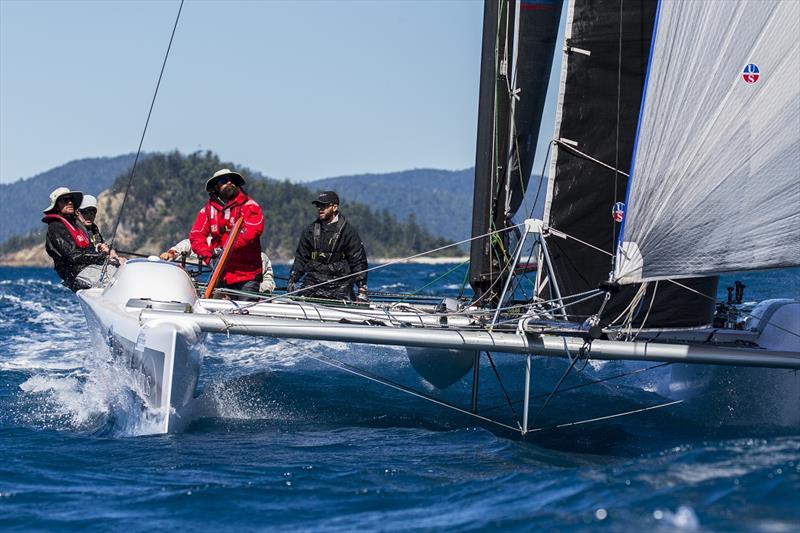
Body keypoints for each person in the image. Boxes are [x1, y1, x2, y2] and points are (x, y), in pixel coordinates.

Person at [189, 168, 265, 296]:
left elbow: (251, 233)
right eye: (224, 180)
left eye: (233, 180)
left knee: (243, 313)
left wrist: (223, 250)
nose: (229, 183)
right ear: (216, 187)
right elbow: (196, 236)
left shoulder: (250, 206)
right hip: (220, 274)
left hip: (247, 276)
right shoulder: (207, 210)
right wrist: (208, 256)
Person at [288, 191, 368, 301]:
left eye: (324, 206)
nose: (320, 209)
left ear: (335, 207)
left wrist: (362, 288)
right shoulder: (310, 230)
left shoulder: (348, 232)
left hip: (340, 284)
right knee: (296, 301)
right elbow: (301, 257)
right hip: (313, 282)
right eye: (318, 206)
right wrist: (293, 279)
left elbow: (358, 260)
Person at [42, 187, 123, 291]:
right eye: (65, 200)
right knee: (114, 280)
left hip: (88, 268)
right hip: (75, 273)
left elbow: (89, 247)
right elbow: (73, 255)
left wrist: (105, 251)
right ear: (56, 206)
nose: (70, 202)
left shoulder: (76, 225)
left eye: (71, 200)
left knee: (123, 269)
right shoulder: (55, 227)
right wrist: (104, 256)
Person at [161, 238, 276, 293]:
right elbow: (190, 244)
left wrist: (258, 289)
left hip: (244, 299)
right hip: (219, 295)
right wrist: (171, 253)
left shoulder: (260, 258)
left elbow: (269, 283)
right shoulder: (215, 246)